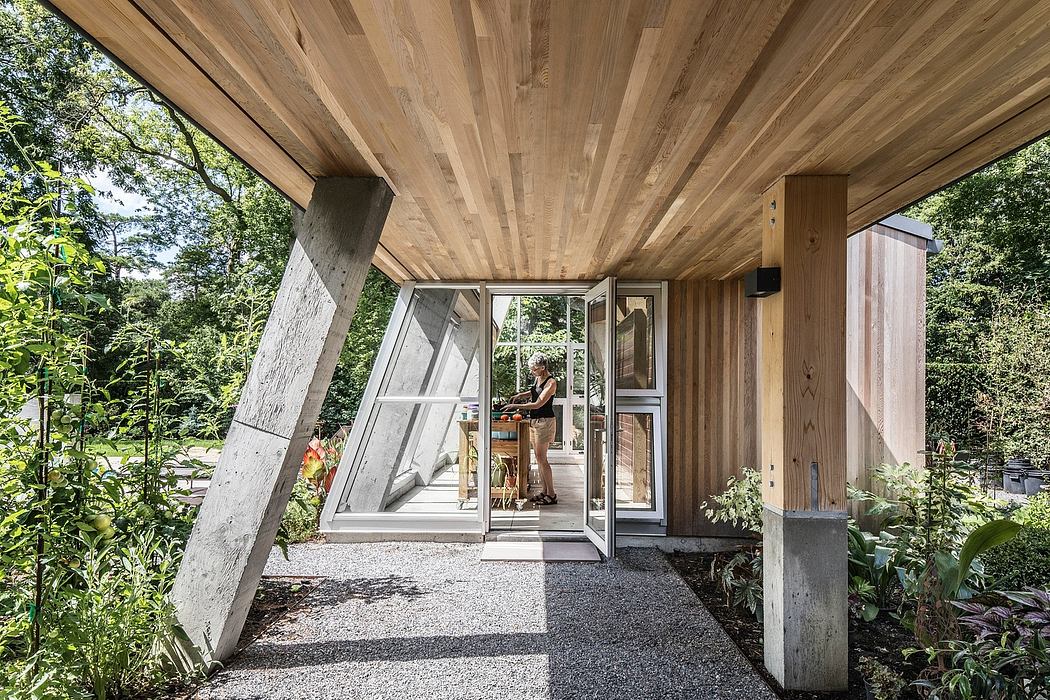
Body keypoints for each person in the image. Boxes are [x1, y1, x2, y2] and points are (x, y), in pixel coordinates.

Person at [503, 352, 558, 505]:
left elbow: (538, 403)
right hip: (535, 422)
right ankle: (544, 491)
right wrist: (520, 395)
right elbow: (534, 392)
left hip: (545, 422)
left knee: (542, 459)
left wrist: (515, 405)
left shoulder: (551, 382)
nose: (532, 372)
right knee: (539, 459)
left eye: (534, 369)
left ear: (542, 367)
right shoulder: (538, 378)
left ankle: (552, 494)